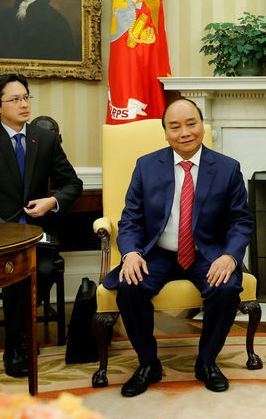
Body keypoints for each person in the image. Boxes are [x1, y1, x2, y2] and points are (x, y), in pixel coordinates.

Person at [101, 98, 253, 397]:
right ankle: (148, 363)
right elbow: (130, 217)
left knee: (225, 290)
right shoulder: (147, 166)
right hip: (156, 252)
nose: (184, 132)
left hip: (205, 252)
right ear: (166, 133)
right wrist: (131, 252)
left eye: (191, 124)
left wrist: (230, 256)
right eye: (175, 127)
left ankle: (206, 362)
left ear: (202, 126)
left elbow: (241, 221)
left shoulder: (227, 168)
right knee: (129, 286)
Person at [0, 74, 82, 377]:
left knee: (44, 270)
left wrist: (52, 201)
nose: (24, 104)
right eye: (15, 99)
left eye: (26, 97)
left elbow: (72, 183)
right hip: (0, 237)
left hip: (39, 235)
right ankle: (17, 344)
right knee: (17, 274)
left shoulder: (45, 138)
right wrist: (4, 229)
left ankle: (19, 338)